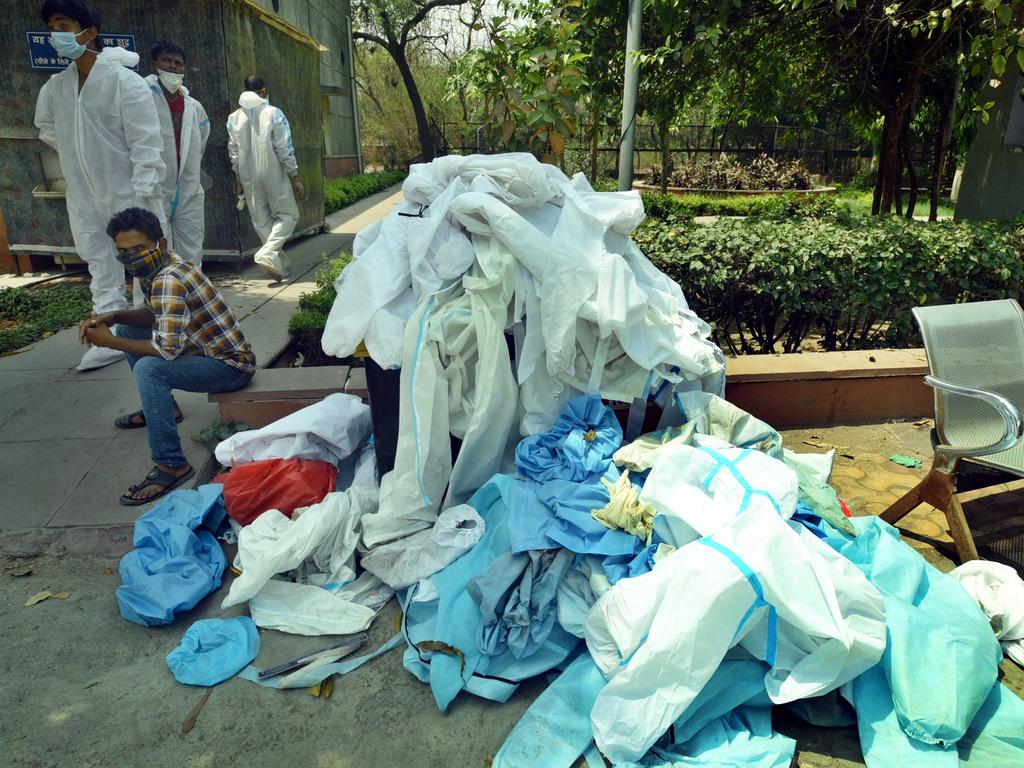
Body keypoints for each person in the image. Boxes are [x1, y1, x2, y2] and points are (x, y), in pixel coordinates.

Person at [79, 207, 255, 506]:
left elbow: (166, 349)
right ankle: (165, 409)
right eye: (123, 251)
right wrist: (114, 316)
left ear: (159, 244)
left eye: (139, 249)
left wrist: (110, 342)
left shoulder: (168, 279)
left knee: (150, 369)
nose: (131, 257)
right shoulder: (161, 267)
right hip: (204, 350)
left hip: (230, 366)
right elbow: (155, 314)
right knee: (127, 328)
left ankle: (171, 464)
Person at [34, 0, 167, 371]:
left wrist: (143, 195)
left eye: (64, 24)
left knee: (144, 263)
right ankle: (107, 331)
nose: (56, 33)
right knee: (98, 259)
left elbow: (146, 143)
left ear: (89, 32)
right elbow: (46, 127)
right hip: (83, 192)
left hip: (128, 191)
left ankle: (156, 327)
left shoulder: (124, 82)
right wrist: (80, 153)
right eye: (52, 26)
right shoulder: (56, 87)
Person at [226, 75, 305, 282]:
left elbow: (233, 151)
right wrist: (294, 175)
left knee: (261, 221)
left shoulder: (234, 118)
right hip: (272, 171)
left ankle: (281, 266)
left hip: (246, 175)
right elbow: (284, 147)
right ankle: (269, 253)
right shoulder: (274, 113)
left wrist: (238, 179)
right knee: (289, 215)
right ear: (263, 91)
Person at [145, 40, 210, 266]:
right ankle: (154, 299)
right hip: (153, 188)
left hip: (188, 190)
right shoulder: (142, 98)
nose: (173, 66)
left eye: (178, 63)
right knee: (152, 251)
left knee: (192, 251)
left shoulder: (194, 107)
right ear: (155, 63)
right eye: (167, 60)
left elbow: (200, 142)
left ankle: (191, 298)